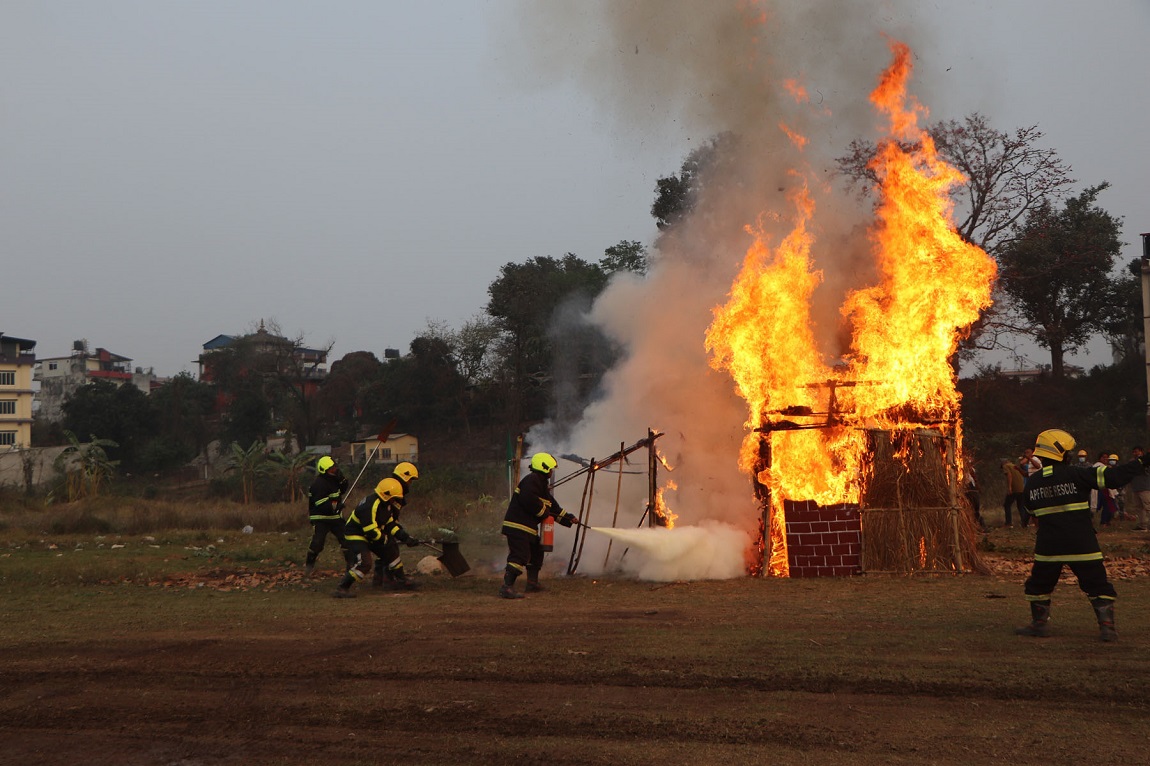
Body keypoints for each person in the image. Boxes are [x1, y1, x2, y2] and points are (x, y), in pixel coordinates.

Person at [1014, 428, 1150, 642]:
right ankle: (1107, 627)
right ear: (1062, 455)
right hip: (1082, 543)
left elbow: (1030, 513)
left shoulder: (1033, 483)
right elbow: (1113, 478)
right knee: (1097, 584)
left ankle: (1039, 624)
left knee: (1039, 584)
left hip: (1048, 546)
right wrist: (1142, 462)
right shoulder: (1077, 474)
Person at [499, 451, 578, 599]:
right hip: (517, 526)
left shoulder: (541, 485)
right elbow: (529, 499)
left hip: (527, 528)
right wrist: (543, 512)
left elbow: (553, 509)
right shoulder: (532, 480)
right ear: (544, 467)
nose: (552, 472)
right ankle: (507, 587)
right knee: (520, 555)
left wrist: (569, 518)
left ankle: (532, 583)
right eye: (551, 469)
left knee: (536, 552)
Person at [333, 478, 421, 598]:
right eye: (394, 498)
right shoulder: (369, 506)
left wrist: (405, 537)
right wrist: (384, 539)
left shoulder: (385, 505)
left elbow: (390, 524)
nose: (396, 500)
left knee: (392, 552)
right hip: (356, 534)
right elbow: (370, 531)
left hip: (370, 534)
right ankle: (342, 588)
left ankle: (402, 580)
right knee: (365, 562)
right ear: (387, 496)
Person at [371, 461, 420, 587]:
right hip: (380, 526)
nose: (410, 484)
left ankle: (379, 577)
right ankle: (388, 578)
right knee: (391, 548)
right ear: (404, 477)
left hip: (384, 525)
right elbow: (388, 516)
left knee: (385, 549)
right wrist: (400, 533)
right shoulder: (393, 491)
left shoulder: (395, 490)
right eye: (410, 480)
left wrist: (401, 532)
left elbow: (393, 516)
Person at [304, 456, 350, 577]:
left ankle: (351, 566)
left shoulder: (334, 480)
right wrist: (335, 506)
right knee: (318, 543)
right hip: (321, 519)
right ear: (324, 470)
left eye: (335, 468)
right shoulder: (318, 484)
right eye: (332, 469)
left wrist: (343, 481)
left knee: (347, 540)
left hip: (335, 518)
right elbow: (321, 504)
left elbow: (342, 490)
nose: (334, 470)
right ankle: (309, 566)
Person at [1130, 447, 1150, 531]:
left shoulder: (1146, 461)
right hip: (1136, 487)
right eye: (1134, 452)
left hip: (1145, 487)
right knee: (1139, 507)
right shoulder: (1132, 462)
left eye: (1137, 452)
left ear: (1141, 452)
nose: (1135, 453)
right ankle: (1142, 525)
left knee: (1148, 506)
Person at [1001, 458, 1025, 528]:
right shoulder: (1014, 465)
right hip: (1021, 488)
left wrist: (1009, 488)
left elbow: (1009, 475)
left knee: (1006, 505)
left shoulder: (1006, 466)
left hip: (1015, 489)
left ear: (1003, 463)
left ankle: (1008, 523)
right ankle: (1024, 523)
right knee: (1021, 506)